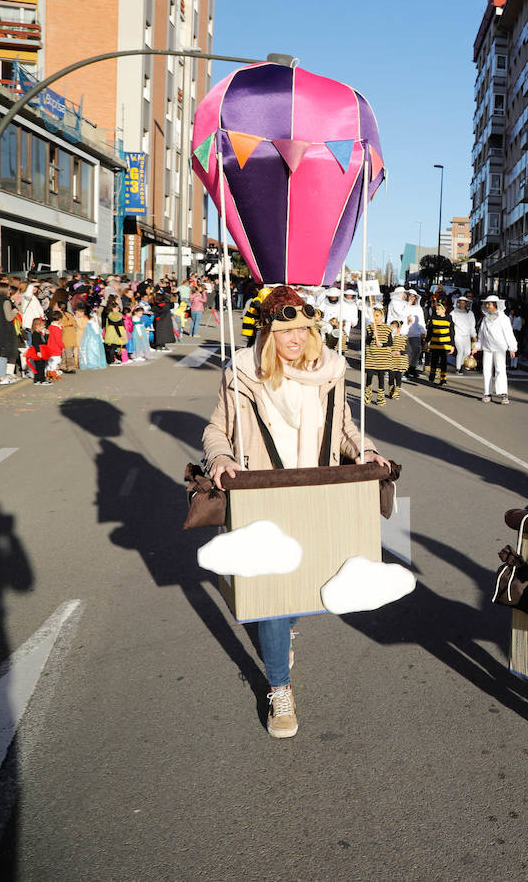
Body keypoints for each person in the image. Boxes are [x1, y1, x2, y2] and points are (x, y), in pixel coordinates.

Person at [202, 286, 389, 738]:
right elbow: (215, 430)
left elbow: (344, 428)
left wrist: (365, 450)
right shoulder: (242, 374)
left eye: (304, 329)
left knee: (303, 587)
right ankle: (279, 688)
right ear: (268, 333)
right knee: (271, 594)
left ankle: (281, 635)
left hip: (314, 494)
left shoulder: (329, 371)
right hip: (262, 495)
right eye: (287, 330)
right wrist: (221, 458)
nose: (297, 338)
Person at [478, 294, 517, 404]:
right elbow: (482, 334)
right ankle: (487, 393)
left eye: (489, 304)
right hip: (487, 347)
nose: (487, 305)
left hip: (500, 347)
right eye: (487, 304)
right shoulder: (485, 318)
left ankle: (503, 393)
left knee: (500, 369)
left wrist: (512, 347)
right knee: (486, 370)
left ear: (495, 305)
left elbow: (509, 333)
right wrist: (477, 346)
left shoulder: (504, 319)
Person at [363, 305, 395, 406]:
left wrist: (382, 344)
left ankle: (380, 396)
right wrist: (372, 336)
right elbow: (367, 342)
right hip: (372, 356)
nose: (375, 318)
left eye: (377, 315)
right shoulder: (370, 327)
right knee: (369, 376)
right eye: (374, 316)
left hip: (382, 357)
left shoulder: (387, 329)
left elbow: (390, 343)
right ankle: (368, 394)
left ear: (382, 316)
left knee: (381, 377)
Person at [425, 299, 455, 386]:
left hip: (445, 344)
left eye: (439, 309)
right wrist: (427, 342)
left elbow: (452, 332)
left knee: (443, 362)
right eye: (436, 309)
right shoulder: (433, 318)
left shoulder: (449, 318)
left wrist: (452, 345)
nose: (437, 311)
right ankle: (431, 378)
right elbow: (430, 332)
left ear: (444, 310)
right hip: (435, 343)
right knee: (433, 361)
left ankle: (443, 380)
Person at [450, 294, 477, 374]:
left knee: (467, 352)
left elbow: (472, 326)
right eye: (460, 303)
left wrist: (474, 335)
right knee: (460, 351)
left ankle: (461, 365)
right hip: (458, 335)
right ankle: (458, 368)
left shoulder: (470, 313)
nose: (462, 304)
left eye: (464, 303)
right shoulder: (453, 313)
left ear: (466, 303)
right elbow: (450, 323)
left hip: (467, 336)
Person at [77, 306, 107, 371]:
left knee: (89, 349)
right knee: (93, 349)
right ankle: (92, 362)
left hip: (89, 336)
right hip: (92, 336)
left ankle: (90, 363)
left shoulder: (88, 319)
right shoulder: (92, 319)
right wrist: (99, 334)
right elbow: (96, 328)